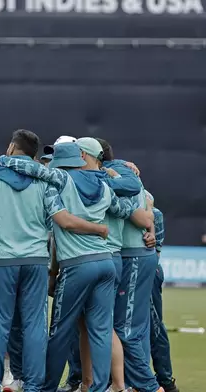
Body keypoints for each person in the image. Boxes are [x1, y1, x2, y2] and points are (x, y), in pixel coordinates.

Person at [0, 132, 108, 392]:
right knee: (35, 326)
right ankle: (34, 385)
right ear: (34, 153)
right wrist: (98, 228)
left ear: (12, 146)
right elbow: (62, 220)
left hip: (1, 261)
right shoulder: (43, 180)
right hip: (36, 261)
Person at [0, 142, 151, 392]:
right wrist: (148, 219)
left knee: (60, 331)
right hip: (106, 262)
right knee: (100, 330)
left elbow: (31, 170)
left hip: (77, 265)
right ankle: (98, 387)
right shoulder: (104, 184)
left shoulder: (61, 178)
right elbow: (124, 210)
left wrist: (1, 160)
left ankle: (47, 387)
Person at [98, 139, 162, 392]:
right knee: (135, 326)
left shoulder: (117, 175)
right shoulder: (123, 170)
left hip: (133, 255)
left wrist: (149, 225)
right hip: (134, 253)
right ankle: (131, 385)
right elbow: (148, 200)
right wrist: (151, 227)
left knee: (124, 328)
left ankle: (149, 386)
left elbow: (143, 211)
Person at [148, 198, 180, 392]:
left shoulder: (152, 210)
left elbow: (155, 253)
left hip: (145, 270)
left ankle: (165, 381)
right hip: (124, 268)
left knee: (154, 325)